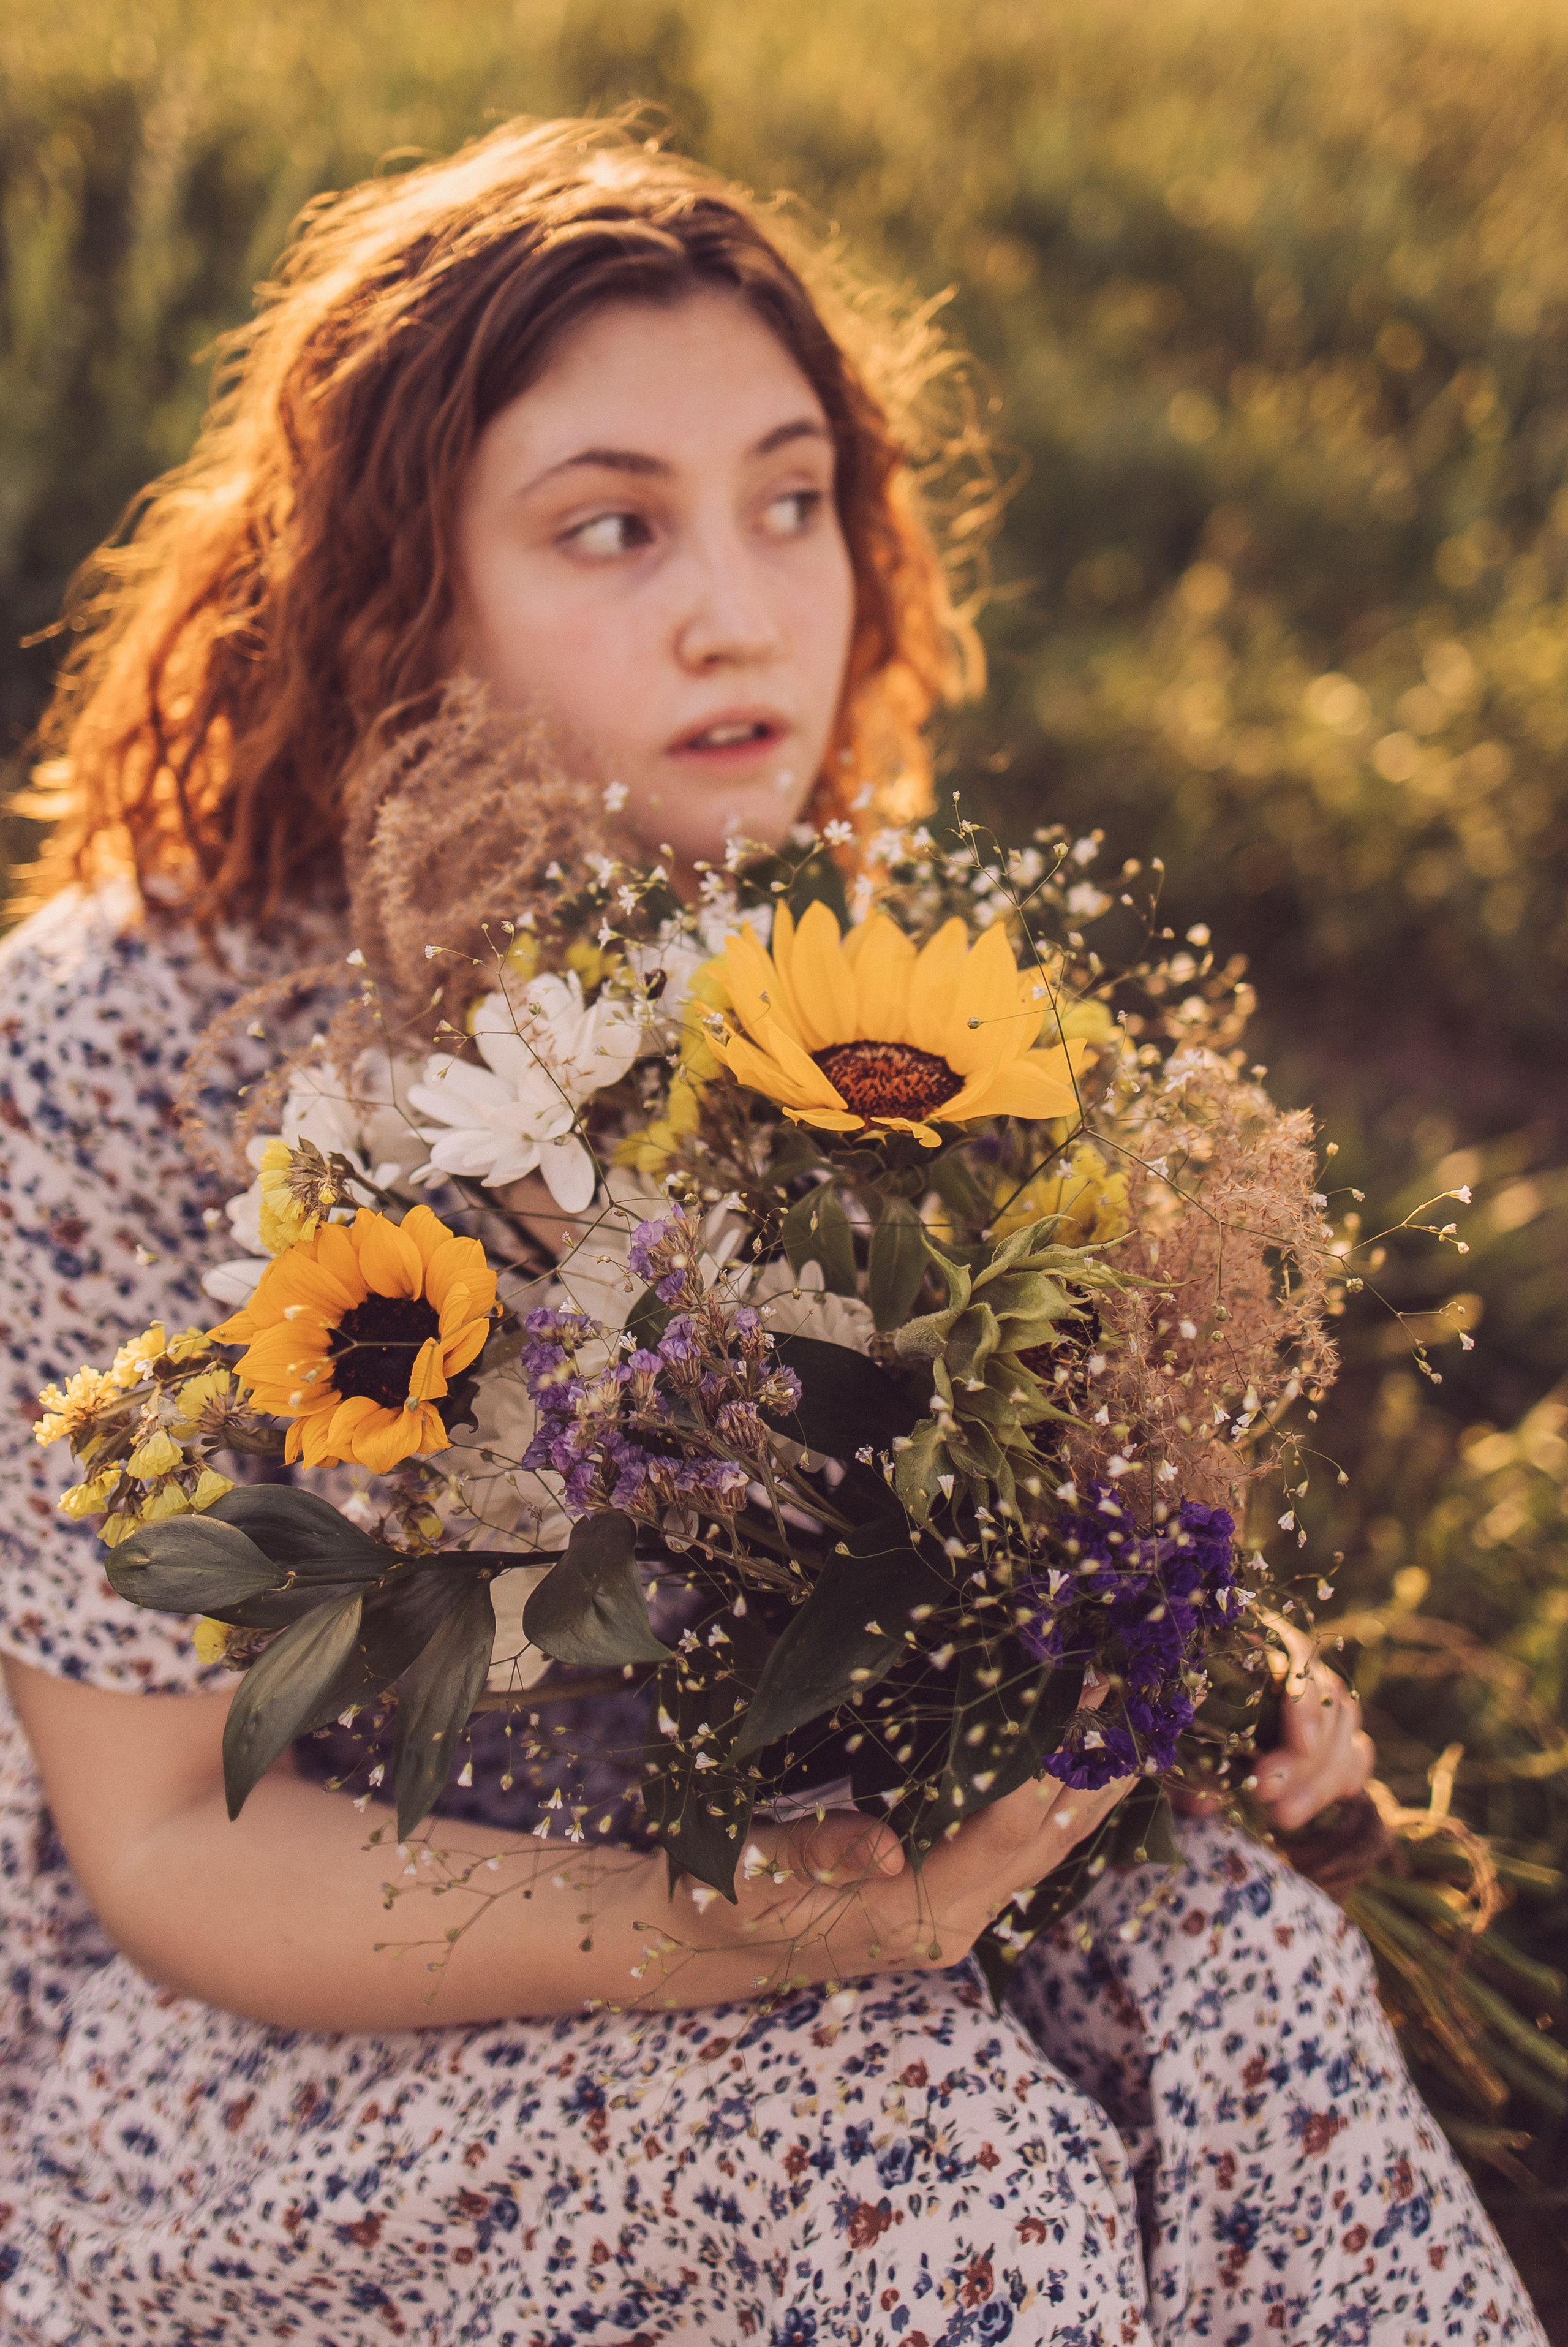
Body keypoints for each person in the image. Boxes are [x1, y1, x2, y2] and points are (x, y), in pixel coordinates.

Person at [0, 117, 1542, 2347]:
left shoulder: (852, 997)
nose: (745, 608)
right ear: (386, 584)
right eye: (610, 524)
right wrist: (759, 1934)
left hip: (815, 1870)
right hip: (295, 2015)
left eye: (794, 497)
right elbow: (167, 1844)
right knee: (942, 2177)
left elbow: (955, 1534)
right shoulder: (115, 1044)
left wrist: (1180, 1672)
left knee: (1251, 1984)